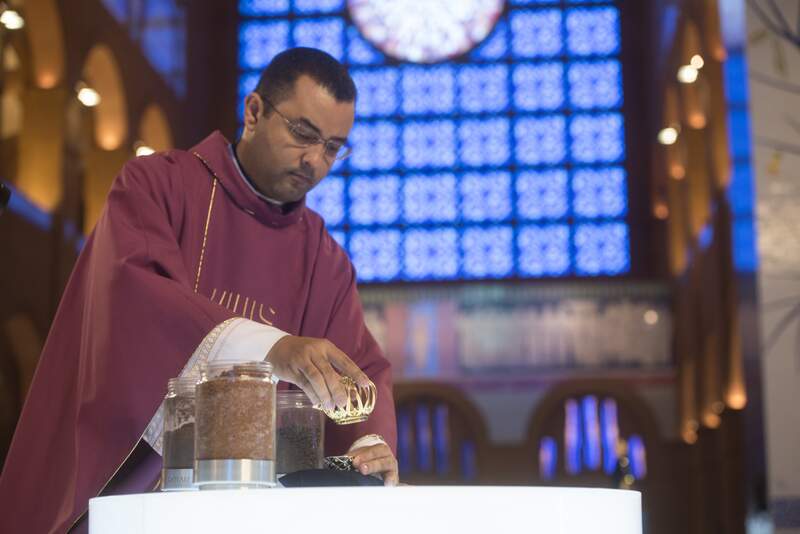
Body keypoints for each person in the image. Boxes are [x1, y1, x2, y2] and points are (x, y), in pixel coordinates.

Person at [0, 47, 398, 533]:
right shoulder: (157, 187)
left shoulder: (325, 259)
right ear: (253, 112)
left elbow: (361, 366)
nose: (315, 160)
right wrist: (276, 349)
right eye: (303, 134)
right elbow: (132, 298)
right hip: (142, 501)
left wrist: (365, 446)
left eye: (333, 147)